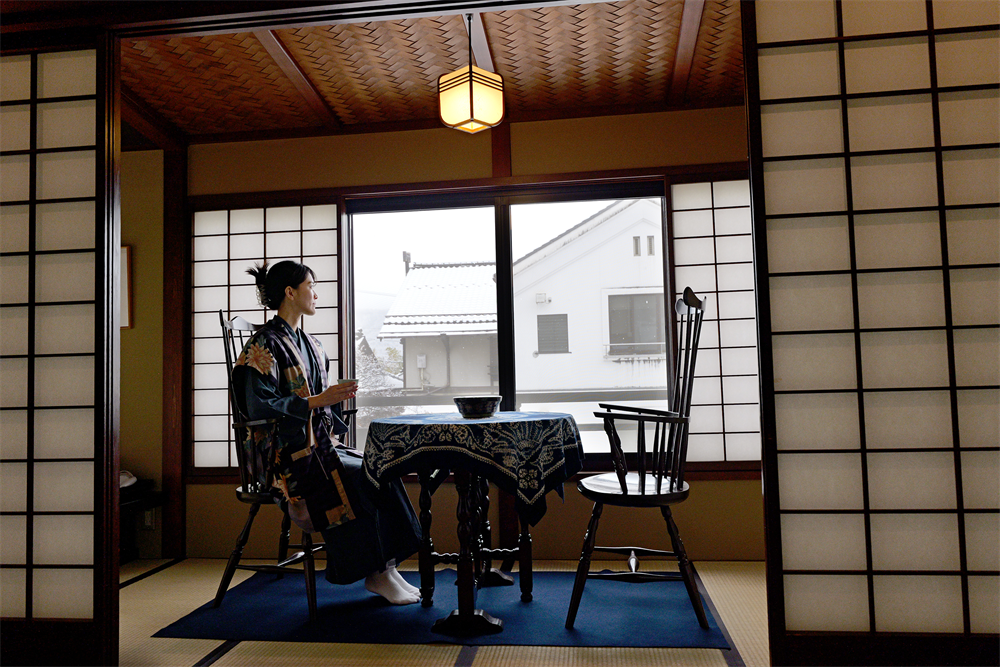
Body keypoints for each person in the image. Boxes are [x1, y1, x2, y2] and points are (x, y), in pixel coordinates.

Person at [232, 259, 422, 605]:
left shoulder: (313, 345)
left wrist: (332, 400)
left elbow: (320, 402)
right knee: (357, 477)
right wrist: (319, 400)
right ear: (290, 292)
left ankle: (387, 566)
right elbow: (258, 407)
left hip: (319, 444)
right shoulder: (262, 345)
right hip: (284, 454)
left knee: (380, 468)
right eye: (310, 286)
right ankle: (377, 573)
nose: (316, 294)